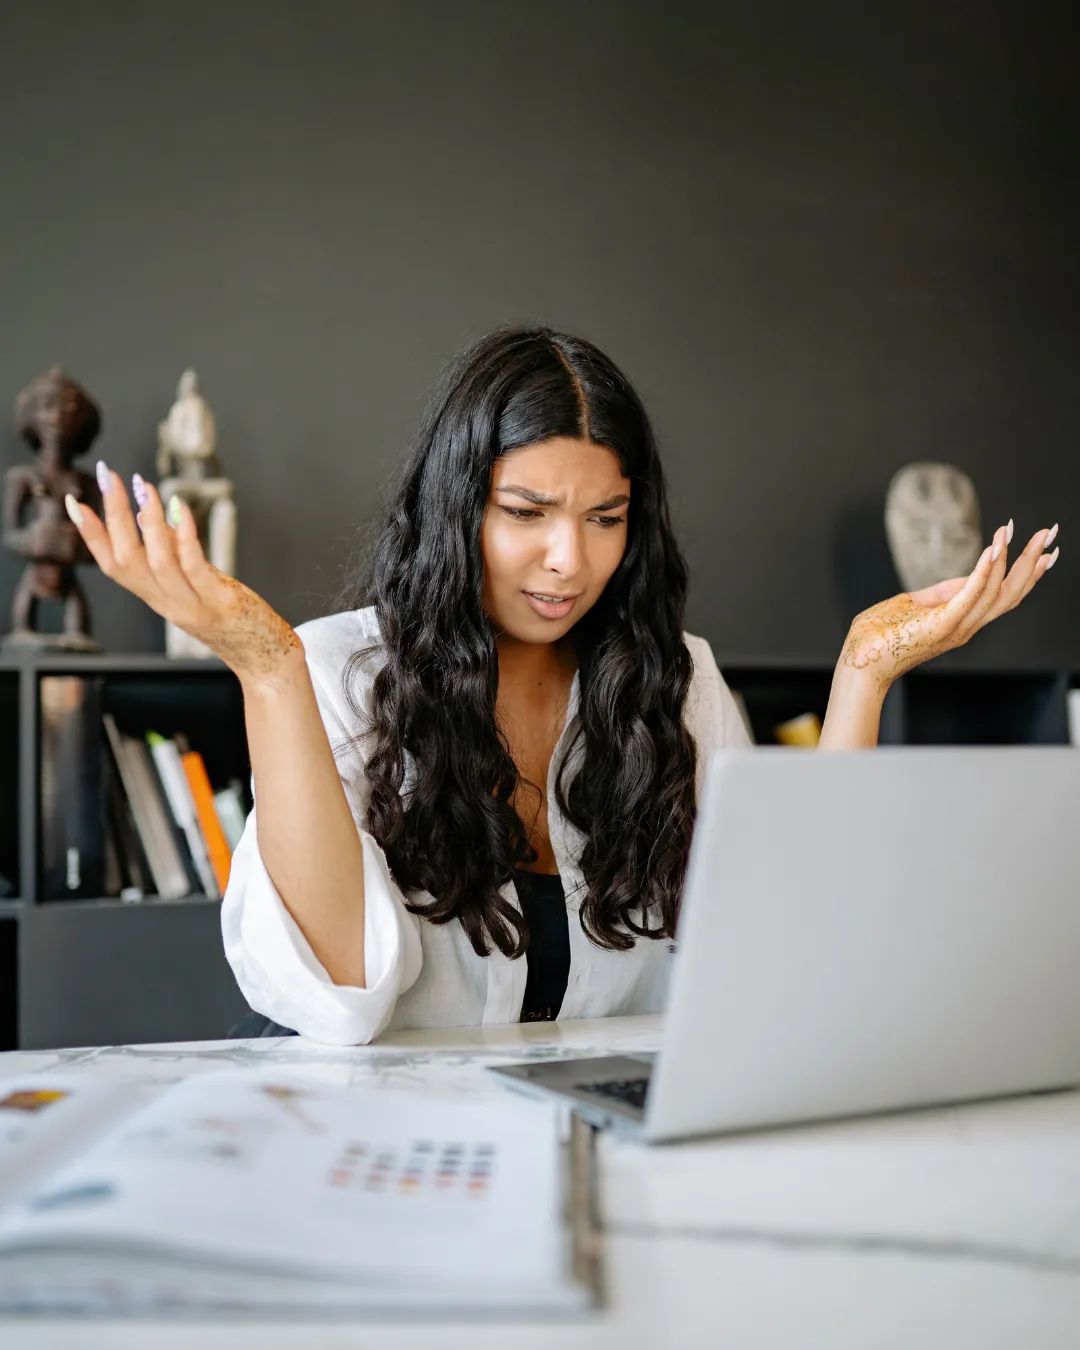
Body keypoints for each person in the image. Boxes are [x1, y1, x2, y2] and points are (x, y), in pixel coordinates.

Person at [64, 327, 1060, 1044]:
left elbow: (785, 964)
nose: (566, 562)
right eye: (527, 511)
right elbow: (345, 997)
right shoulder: (336, 669)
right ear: (458, 507)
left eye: (605, 517)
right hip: (364, 1134)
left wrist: (863, 675)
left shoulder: (677, 684)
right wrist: (267, 670)